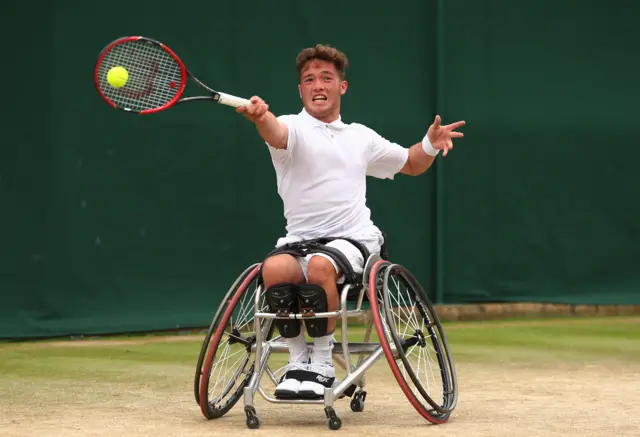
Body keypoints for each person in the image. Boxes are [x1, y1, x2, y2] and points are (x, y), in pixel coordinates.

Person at [236, 44, 465, 399]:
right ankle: (298, 361)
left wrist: (431, 145)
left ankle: (324, 362)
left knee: (319, 267)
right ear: (301, 90)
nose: (318, 85)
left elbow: (410, 163)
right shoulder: (291, 127)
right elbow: (274, 132)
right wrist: (261, 116)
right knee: (276, 270)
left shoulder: (361, 137)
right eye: (309, 80)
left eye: (326, 78)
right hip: (299, 239)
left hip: (353, 240)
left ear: (341, 86)